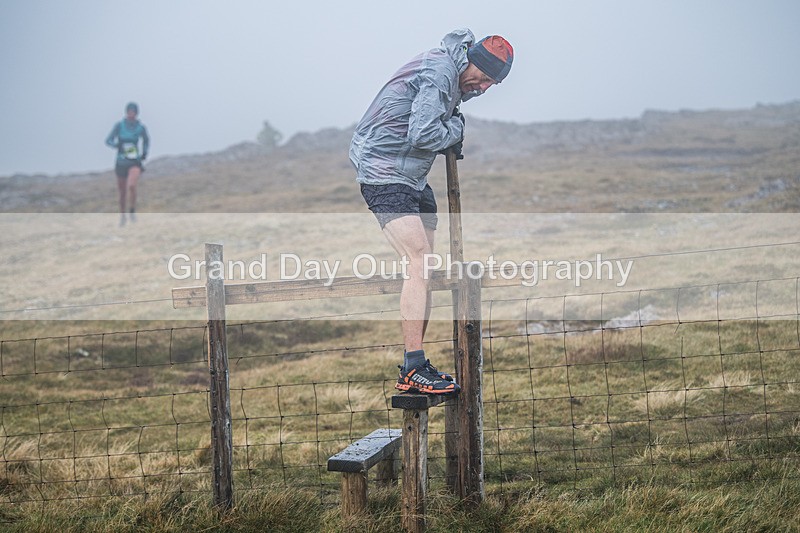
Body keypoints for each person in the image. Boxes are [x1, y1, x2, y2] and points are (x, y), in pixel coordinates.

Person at [349, 29, 513, 394]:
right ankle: (413, 365)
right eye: (484, 77)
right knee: (419, 259)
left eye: (492, 84)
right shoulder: (440, 73)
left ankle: (415, 365)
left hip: (413, 177)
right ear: (471, 61)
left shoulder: (456, 77)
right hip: (382, 171)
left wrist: (452, 124)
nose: (484, 88)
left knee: (425, 267)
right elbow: (423, 134)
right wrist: (455, 128)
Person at [106, 102, 149, 226]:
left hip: (134, 161)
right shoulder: (119, 126)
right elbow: (108, 140)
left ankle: (132, 210)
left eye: (133, 112)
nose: (131, 114)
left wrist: (144, 153)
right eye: (129, 111)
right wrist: (116, 145)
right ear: (126, 112)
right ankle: (122, 216)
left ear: (136, 113)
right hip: (121, 161)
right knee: (122, 192)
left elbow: (146, 140)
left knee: (132, 186)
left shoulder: (140, 127)